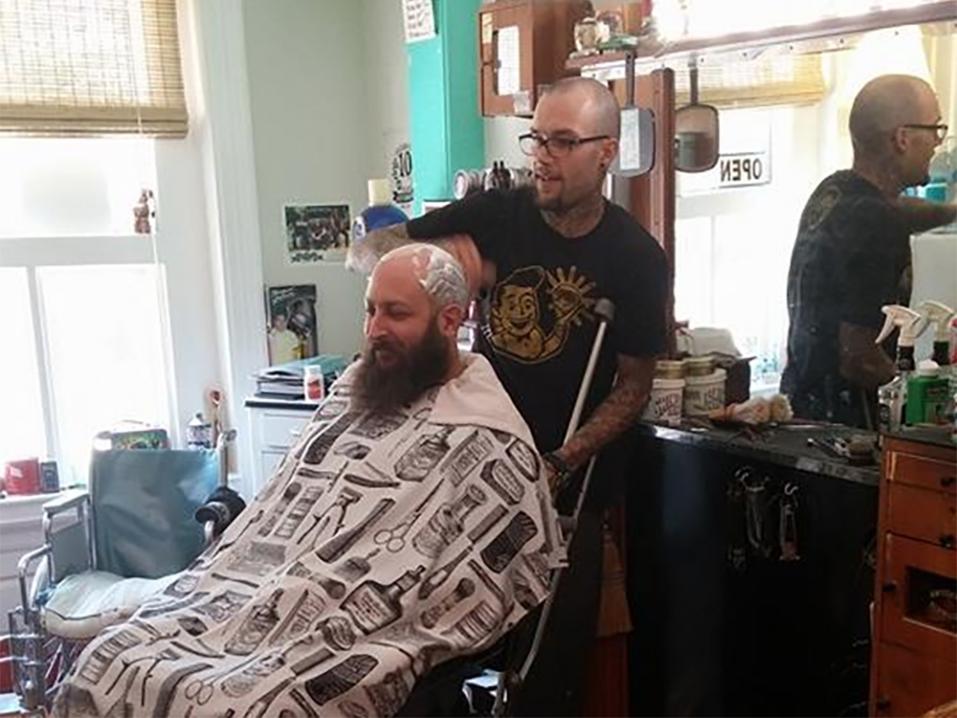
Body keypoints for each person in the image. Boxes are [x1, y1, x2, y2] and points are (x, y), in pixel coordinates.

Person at [53, 245, 562, 718]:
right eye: (370, 310)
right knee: (112, 658)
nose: (374, 329)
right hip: (254, 594)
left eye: (396, 313)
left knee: (256, 705)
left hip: (354, 627)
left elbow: (472, 577)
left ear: (450, 320)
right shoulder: (351, 397)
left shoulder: (488, 433)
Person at [348, 76, 669, 714]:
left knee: (546, 675)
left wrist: (561, 463)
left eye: (562, 142)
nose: (542, 157)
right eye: (536, 138)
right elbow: (365, 253)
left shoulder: (636, 258)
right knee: (434, 654)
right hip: (472, 473)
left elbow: (634, 386)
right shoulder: (497, 215)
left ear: (606, 152)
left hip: (568, 488)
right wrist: (438, 258)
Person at [782, 74, 956, 428]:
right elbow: (858, 357)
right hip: (848, 424)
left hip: (802, 407)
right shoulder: (876, 223)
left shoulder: (835, 192)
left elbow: (898, 209)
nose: (937, 143)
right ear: (902, 138)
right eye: (935, 130)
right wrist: (924, 399)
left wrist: (953, 211)